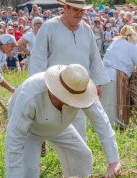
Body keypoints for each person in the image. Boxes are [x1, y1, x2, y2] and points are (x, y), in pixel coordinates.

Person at [5, 64, 121, 178]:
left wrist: (114, 160)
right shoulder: (30, 94)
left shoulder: (81, 89)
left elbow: (101, 122)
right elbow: (15, 136)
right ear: (54, 89)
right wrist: (12, 177)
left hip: (59, 126)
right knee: (29, 173)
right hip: (30, 130)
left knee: (82, 154)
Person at [29, 0, 109, 142]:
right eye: (74, 9)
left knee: (78, 128)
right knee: (47, 125)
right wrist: (38, 87)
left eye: (81, 10)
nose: (78, 14)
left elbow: (94, 57)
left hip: (79, 86)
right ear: (64, 8)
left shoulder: (86, 30)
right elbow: (38, 58)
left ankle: (78, 159)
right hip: (54, 87)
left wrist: (97, 83)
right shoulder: (49, 27)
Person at [102, 25, 137, 128]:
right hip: (118, 77)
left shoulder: (114, 44)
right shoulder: (131, 47)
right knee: (117, 103)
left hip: (104, 75)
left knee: (106, 103)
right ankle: (117, 127)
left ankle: (103, 127)